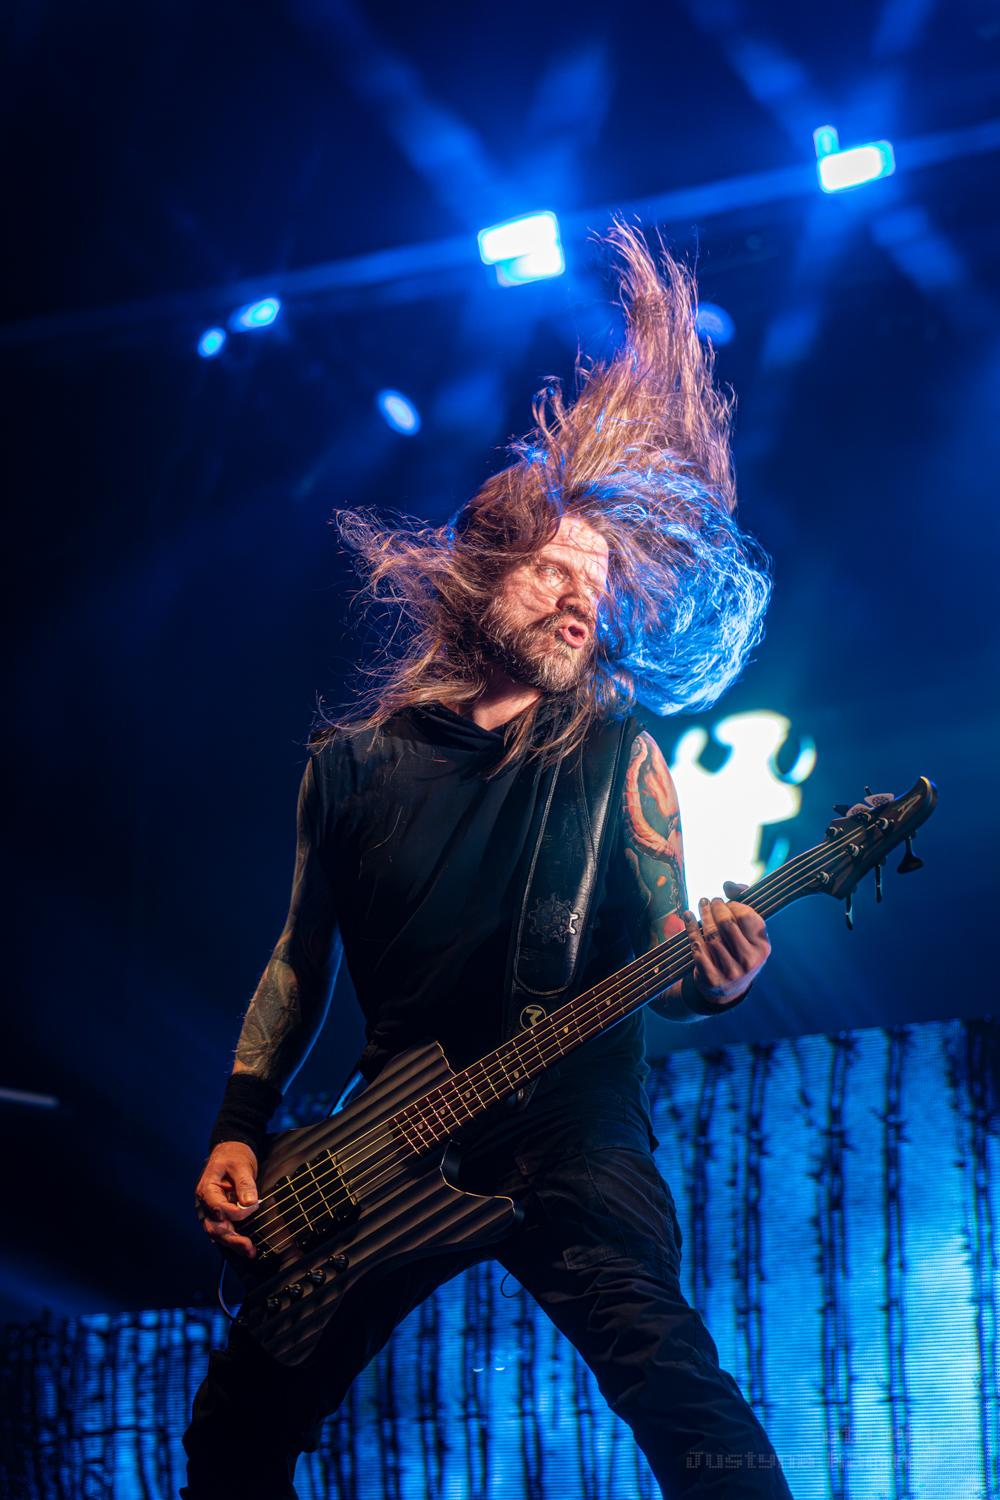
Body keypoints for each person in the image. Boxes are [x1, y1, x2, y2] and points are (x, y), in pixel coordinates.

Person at [183, 222, 793, 1498]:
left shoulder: (616, 752)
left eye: (597, 583)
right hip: (380, 1143)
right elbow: (297, 963)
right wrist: (242, 1126)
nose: (582, 599)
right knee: (232, 1438)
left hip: (568, 1125)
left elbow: (667, 950)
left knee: (680, 1395)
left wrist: (712, 976)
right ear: (477, 573)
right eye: (556, 570)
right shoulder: (350, 768)